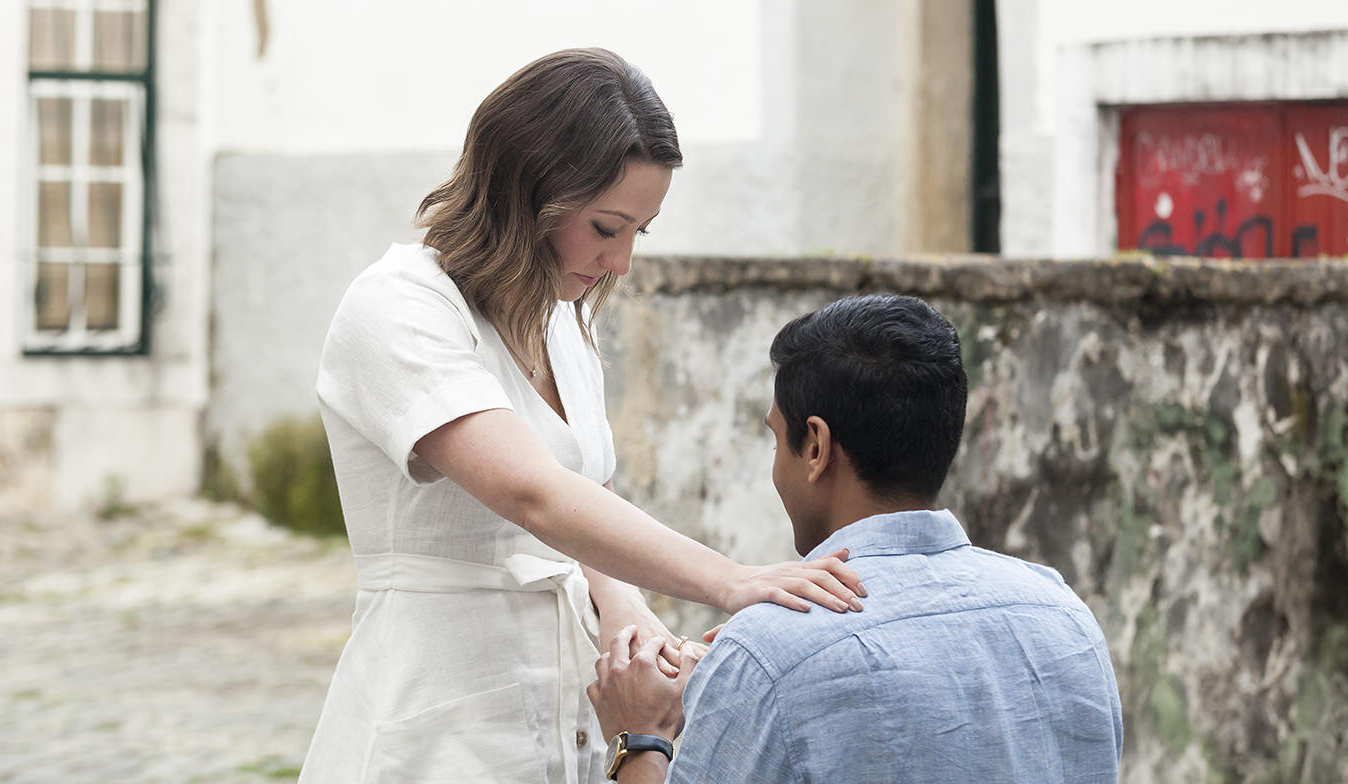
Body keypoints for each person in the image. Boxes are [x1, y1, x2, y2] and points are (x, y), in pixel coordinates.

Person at [297, 48, 865, 784]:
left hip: (568, 717)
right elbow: (532, 494)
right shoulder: (397, 306)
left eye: (640, 231)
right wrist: (730, 579)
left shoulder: (558, 321)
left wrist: (628, 612)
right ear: (527, 193)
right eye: (606, 227)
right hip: (442, 718)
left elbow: (573, 519)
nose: (622, 261)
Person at [587, 294, 1124, 783]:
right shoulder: (1064, 616)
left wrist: (638, 740)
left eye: (778, 439)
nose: (776, 465)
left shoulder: (766, 654)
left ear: (816, 447)